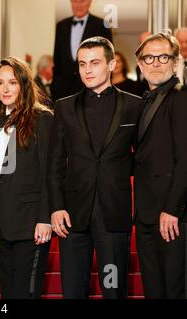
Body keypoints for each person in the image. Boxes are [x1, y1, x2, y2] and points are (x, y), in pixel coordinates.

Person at [48, 36, 143, 299]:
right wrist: (56, 207)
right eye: (82, 64)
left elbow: (143, 159)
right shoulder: (64, 107)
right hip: (72, 217)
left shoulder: (134, 106)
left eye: (95, 63)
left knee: (113, 289)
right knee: (73, 290)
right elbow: (55, 162)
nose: (87, 70)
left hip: (114, 214)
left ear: (112, 64)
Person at [0, 57, 53, 298]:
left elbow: (50, 172)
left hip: (30, 219)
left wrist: (45, 218)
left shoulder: (42, 119)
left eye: (12, 82)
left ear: (24, 85)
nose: (4, 88)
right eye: (0, 82)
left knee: (26, 291)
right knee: (9, 289)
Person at [134, 31, 187, 299]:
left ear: (176, 62)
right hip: (146, 214)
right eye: (149, 57)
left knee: (173, 289)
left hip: (171, 215)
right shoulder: (143, 102)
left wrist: (172, 208)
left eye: (163, 56)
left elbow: (185, 159)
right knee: (154, 290)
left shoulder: (181, 98)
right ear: (140, 64)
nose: (155, 63)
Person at [51, 0, 113, 101]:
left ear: (90, 2)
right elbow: (57, 58)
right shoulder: (61, 25)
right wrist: (55, 86)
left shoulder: (102, 24)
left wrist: (105, 89)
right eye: (75, 1)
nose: (78, 5)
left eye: (82, 1)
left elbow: (108, 57)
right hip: (63, 90)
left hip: (92, 88)